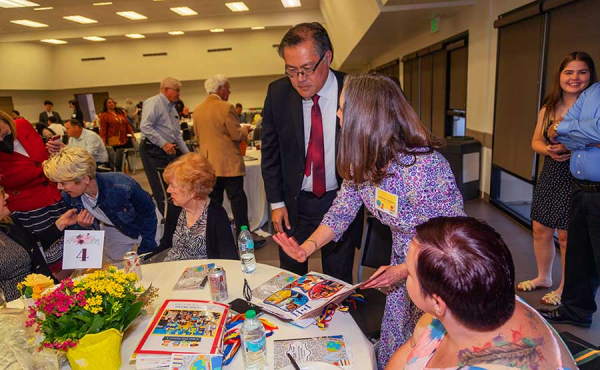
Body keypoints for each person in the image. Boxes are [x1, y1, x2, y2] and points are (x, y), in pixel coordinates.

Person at [273, 74, 465, 368]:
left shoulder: (425, 167)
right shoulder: (362, 160)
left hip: (436, 269)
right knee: (397, 347)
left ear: (365, 116)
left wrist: (404, 270)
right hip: (402, 263)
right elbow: (341, 212)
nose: (337, 115)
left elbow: (452, 241)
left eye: (342, 108)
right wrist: (307, 248)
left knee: (428, 352)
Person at [385, 217, 576, 370]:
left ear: (437, 302)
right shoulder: (484, 298)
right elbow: (411, 348)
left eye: (409, 273)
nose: (404, 275)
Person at [261, 22, 365, 283]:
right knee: (290, 278)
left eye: (307, 69)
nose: (299, 79)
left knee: (337, 278)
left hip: (341, 199)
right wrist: (276, 203)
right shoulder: (278, 93)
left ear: (327, 57)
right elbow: (270, 153)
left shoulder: (353, 91)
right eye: (291, 71)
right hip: (294, 203)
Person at [518, 52, 596, 306]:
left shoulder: (590, 108)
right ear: (559, 76)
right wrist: (548, 149)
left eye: (582, 72)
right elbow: (535, 141)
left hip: (575, 175)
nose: (575, 78)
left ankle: (564, 287)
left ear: (591, 75)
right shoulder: (549, 106)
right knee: (540, 229)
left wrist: (572, 148)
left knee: (567, 237)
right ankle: (544, 277)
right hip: (550, 172)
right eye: (568, 72)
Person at [541, 81, 600, 327]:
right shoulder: (592, 92)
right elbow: (555, 132)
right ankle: (576, 311)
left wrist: (569, 129)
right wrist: (586, 134)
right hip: (580, 189)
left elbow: (573, 129)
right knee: (579, 256)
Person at [43, 147, 161, 262]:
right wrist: (82, 225)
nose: (59, 187)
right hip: (112, 225)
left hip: (145, 223)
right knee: (115, 264)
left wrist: (147, 247)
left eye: (63, 183)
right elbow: (80, 236)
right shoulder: (69, 195)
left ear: (85, 179)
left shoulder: (122, 184)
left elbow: (148, 214)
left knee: (151, 259)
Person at [0, 110, 68, 275]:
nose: (2, 140)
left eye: (5, 133)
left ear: (9, 123)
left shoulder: (23, 125)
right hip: (30, 211)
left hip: (56, 195)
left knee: (75, 248)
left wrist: (54, 151)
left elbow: (43, 157)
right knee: (53, 261)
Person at [193, 74, 251, 235]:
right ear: (220, 89)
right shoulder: (226, 107)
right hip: (229, 164)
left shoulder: (197, 110)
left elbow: (198, 138)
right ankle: (243, 233)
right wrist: (245, 130)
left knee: (214, 202)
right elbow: (236, 135)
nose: (230, 91)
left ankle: (216, 233)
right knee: (238, 201)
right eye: (228, 87)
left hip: (209, 165)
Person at [0, 186, 80, 301]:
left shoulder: (8, 222)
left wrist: (61, 223)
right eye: (2, 193)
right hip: (12, 309)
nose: (7, 196)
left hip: (43, 296)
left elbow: (33, 245)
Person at [157, 153, 238, 261]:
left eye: (173, 185)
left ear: (192, 190)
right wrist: (142, 262)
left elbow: (229, 259)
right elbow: (165, 246)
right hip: (170, 270)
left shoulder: (216, 215)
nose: (168, 190)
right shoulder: (175, 209)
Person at [140, 77, 189, 216]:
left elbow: (177, 135)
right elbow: (145, 126)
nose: (179, 94)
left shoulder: (172, 109)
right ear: (166, 90)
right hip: (153, 149)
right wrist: (163, 143)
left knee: (174, 184)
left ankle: (177, 216)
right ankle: (168, 220)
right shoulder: (154, 102)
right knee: (162, 187)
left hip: (168, 148)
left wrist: (188, 155)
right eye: (177, 90)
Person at [99, 98, 136, 171]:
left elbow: (127, 124)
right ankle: (118, 170)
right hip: (113, 140)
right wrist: (103, 140)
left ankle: (125, 170)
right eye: (109, 102)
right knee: (116, 158)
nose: (112, 104)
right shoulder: (104, 115)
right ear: (106, 105)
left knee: (124, 156)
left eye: (113, 102)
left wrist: (132, 134)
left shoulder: (120, 113)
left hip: (123, 139)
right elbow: (103, 129)